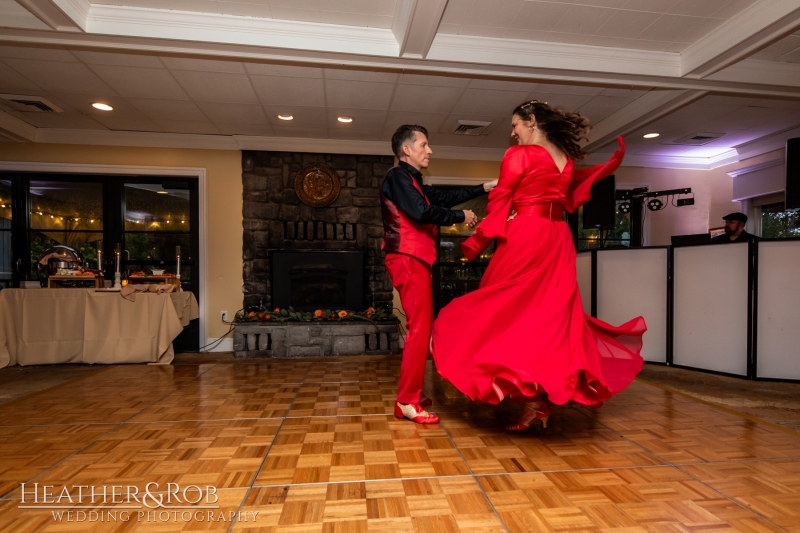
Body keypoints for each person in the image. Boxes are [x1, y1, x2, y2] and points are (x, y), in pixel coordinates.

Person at [431, 101, 646, 431]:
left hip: (526, 235)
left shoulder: (519, 156)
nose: (512, 132)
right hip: (558, 237)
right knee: (545, 316)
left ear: (532, 122)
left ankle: (528, 394)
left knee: (501, 309)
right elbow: (566, 193)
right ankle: (535, 399)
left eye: (516, 124)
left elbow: (501, 198)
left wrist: (476, 242)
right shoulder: (566, 160)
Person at [381, 124, 497, 424]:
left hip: (416, 257)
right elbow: (421, 211)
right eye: (423, 144)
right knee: (419, 329)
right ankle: (406, 401)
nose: (429, 150)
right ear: (407, 149)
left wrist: (483, 188)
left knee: (423, 327)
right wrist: (462, 216)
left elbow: (444, 196)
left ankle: (412, 394)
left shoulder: (412, 181)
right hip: (406, 256)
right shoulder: (397, 176)